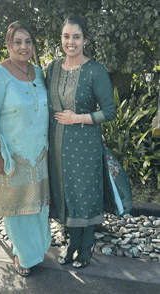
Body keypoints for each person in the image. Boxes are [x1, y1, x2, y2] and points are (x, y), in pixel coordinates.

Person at [0, 21, 51, 277]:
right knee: (18, 207)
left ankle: (37, 250)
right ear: (8, 45)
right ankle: (21, 255)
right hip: (12, 156)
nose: (23, 47)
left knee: (38, 206)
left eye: (28, 41)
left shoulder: (38, 72)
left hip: (39, 154)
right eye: (17, 42)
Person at [46, 15, 116, 269]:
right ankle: (71, 243)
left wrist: (79, 118)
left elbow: (109, 111)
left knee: (84, 196)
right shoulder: (52, 68)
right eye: (66, 36)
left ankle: (86, 247)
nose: (71, 41)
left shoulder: (95, 70)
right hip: (57, 147)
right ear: (61, 39)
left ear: (85, 40)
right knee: (65, 195)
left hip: (85, 146)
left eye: (76, 36)